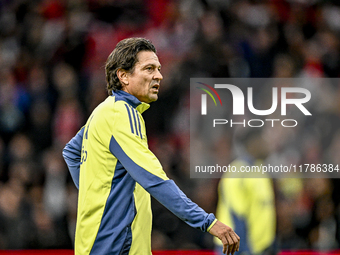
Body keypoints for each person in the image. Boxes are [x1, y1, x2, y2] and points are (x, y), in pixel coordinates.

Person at [63, 37, 240, 255]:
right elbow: (155, 180)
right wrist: (208, 222)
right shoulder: (121, 114)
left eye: (158, 68)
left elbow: (71, 151)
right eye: (149, 69)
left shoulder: (105, 111)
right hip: (113, 248)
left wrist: (97, 197)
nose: (159, 76)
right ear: (123, 76)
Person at [214, 129, 276, 255]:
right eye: (263, 140)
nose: (267, 144)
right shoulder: (237, 172)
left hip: (257, 248)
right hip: (234, 248)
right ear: (253, 144)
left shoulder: (260, 169)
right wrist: (243, 249)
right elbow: (236, 213)